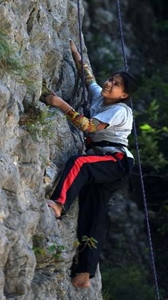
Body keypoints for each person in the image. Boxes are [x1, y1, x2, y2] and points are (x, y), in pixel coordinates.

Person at [40, 40, 139, 288]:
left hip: (115, 161)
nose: (109, 84)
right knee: (92, 214)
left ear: (124, 95)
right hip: (108, 164)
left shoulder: (120, 111)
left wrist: (61, 104)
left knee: (80, 163)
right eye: (111, 80)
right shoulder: (100, 96)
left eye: (116, 85)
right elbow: (89, 78)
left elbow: (88, 126)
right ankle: (84, 273)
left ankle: (59, 204)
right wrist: (76, 53)